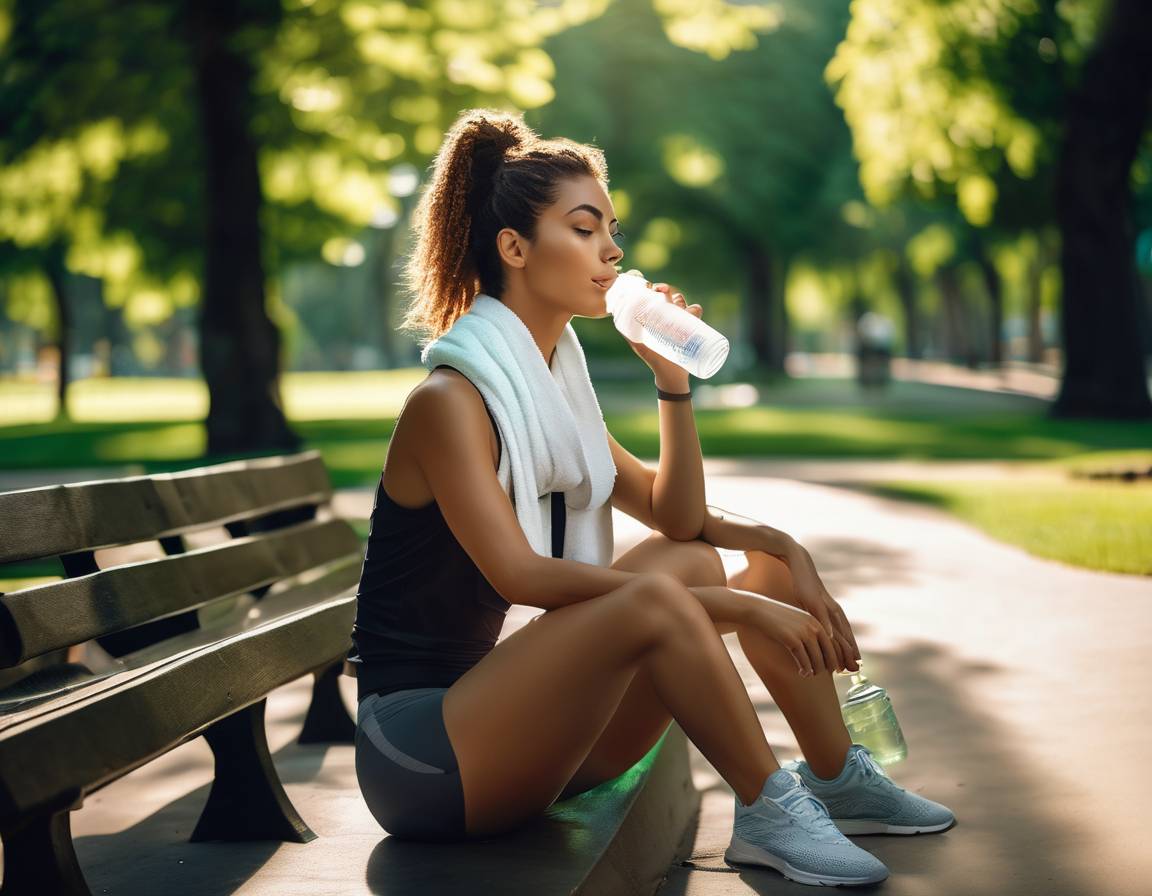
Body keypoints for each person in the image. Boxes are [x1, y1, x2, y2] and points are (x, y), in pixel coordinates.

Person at [348, 108, 955, 887]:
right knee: (665, 598)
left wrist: (677, 390)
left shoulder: (549, 391)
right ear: (514, 249)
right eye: (584, 228)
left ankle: (838, 780)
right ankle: (768, 809)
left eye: (612, 229)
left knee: (703, 562)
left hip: (513, 738)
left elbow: (677, 518)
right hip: (423, 761)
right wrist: (736, 610)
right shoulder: (450, 403)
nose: (612, 250)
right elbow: (520, 576)